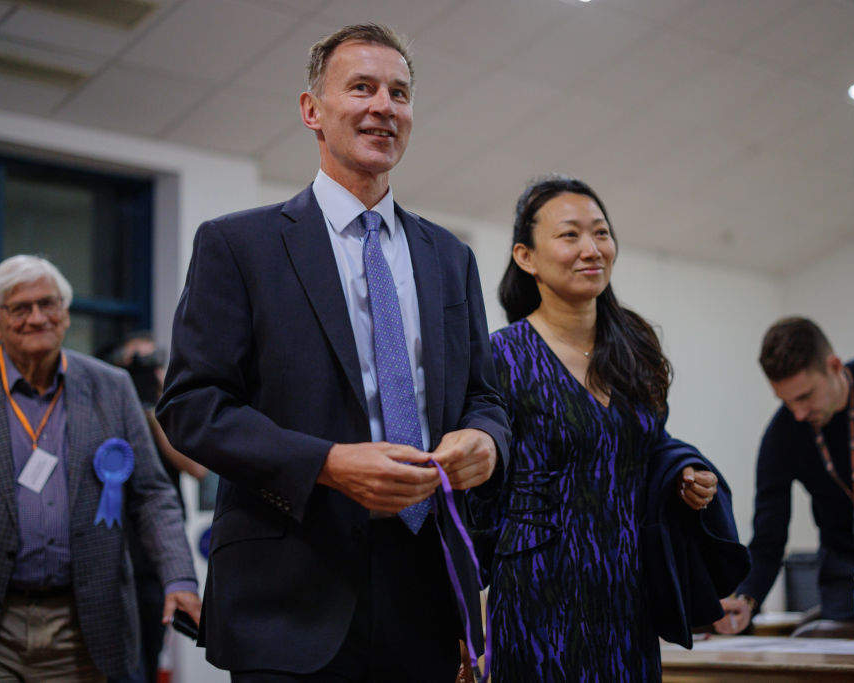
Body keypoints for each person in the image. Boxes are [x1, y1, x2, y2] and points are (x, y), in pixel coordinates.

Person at [157, 23, 509, 681]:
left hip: (426, 590)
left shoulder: (449, 258)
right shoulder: (240, 246)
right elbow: (191, 406)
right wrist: (327, 462)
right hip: (290, 591)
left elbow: (483, 397)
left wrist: (488, 442)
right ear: (311, 110)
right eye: (362, 88)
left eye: (399, 93)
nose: (384, 106)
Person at [472, 175, 746, 680]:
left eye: (600, 232)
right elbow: (481, 498)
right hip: (537, 590)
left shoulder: (635, 347)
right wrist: (466, 618)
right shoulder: (500, 355)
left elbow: (651, 443)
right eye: (569, 235)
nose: (591, 249)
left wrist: (685, 471)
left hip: (628, 587)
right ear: (526, 256)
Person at [0, 255, 201, 682]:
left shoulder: (111, 386)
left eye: (48, 304)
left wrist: (179, 576)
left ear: (65, 314)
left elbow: (152, 496)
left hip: (85, 625)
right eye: (20, 308)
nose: (37, 318)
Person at [714, 317, 854, 634]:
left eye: (805, 396)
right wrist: (747, 596)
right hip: (846, 574)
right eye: (785, 401)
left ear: (834, 366)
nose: (797, 413)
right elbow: (769, 535)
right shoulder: (782, 434)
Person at [108, 333, 206, 683]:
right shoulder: (109, 400)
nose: (148, 371)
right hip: (114, 546)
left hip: (154, 555)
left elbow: (196, 467)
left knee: (148, 655)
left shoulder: (170, 407)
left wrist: (151, 409)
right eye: (138, 363)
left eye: (154, 362)